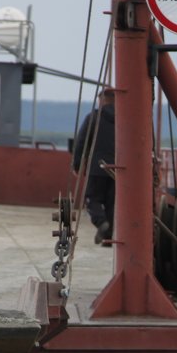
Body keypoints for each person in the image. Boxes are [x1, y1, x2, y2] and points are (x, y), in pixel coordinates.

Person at [71, 89, 116, 245]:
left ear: (102, 100)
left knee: (92, 200)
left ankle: (101, 222)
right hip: (118, 170)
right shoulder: (126, 119)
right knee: (112, 204)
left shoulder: (93, 118)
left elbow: (81, 142)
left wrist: (77, 165)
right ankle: (108, 238)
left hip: (97, 168)